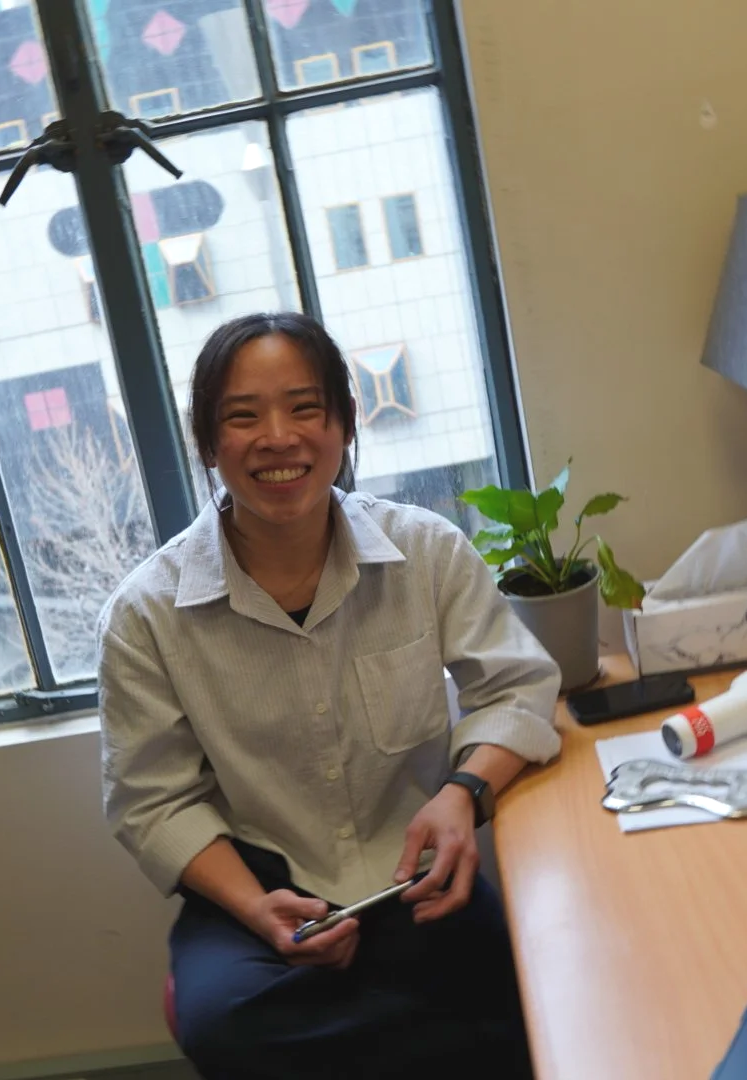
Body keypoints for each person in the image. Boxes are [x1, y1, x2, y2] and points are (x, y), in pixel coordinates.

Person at [95, 312, 563, 1080]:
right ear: (209, 444)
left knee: (539, 970)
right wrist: (256, 910)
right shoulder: (146, 615)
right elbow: (152, 802)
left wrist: (460, 795)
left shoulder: (425, 552)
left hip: (415, 877)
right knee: (226, 1027)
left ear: (344, 425)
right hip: (255, 894)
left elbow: (518, 685)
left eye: (304, 408)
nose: (278, 437)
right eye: (242, 416)